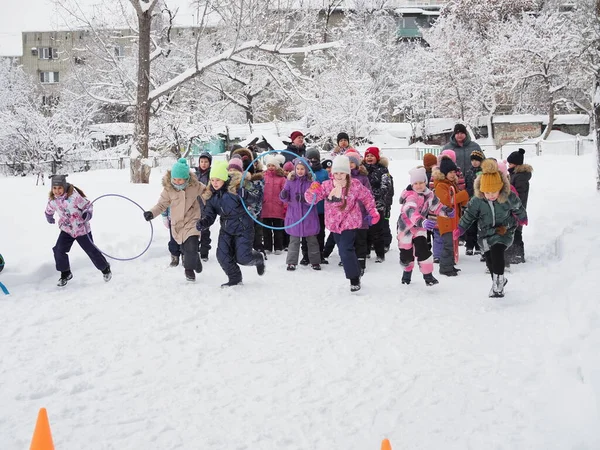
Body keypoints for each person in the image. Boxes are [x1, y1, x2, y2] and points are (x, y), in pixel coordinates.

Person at [305, 156, 379, 292]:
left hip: (350, 222)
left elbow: (367, 197)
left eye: (342, 172)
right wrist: (312, 190)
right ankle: (356, 270)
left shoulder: (355, 185)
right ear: (332, 173)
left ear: (347, 173)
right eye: (336, 173)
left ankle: (354, 279)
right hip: (334, 224)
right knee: (344, 250)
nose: (339, 176)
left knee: (345, 250)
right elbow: (312, 200)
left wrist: (373, 211)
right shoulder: (327, 185)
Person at [456, 159, 527, 298]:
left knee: (497, 251)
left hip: (504, 230)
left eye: (494, 191)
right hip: (485, 234)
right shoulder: (477, 201)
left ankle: (498, 285)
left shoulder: (507, 196)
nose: (491, 195)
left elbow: (518, 206)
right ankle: (500, 280)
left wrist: (523, 217)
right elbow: (469, 215)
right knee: (490, 261)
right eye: (487, 192)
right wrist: (460, 228)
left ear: (500, 188)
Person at [197, 161, 266, 287]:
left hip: (243, 227)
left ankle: (258, 259)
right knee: (222, 255)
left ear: (224, 178)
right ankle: (235, 278)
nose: (214, 183)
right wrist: (204, 222)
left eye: (217, 180)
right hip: (226, 228)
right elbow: (210, 214)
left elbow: (256, 198)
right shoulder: (211, 195)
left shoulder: (236, 188)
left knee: (243, 258)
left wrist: (247, 195)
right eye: (212, 180)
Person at [144, 158, 206, 281]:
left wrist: (216, 202)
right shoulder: (169, 189)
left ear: (186, 178)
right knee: (184, 247)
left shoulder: (195, 186)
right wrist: (151, 213)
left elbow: (207, 193)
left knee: (192, 244)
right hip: (177, 224)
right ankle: (195, 260)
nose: (177, 182)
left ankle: (188, 270)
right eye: (174, 179)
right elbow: (161, 205)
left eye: (180, 179)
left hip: (192, 219)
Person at [45, 175, 112, 287]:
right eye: (54, 188)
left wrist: (87, 214)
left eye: (60, 188)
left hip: (81, 229)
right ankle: (65, 273)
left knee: (91, 250)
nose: (57, 191)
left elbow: (88, 206)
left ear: (65, 187)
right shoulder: (53, 201)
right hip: (66, 230)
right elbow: (49, 209)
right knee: (58, 250)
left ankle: (105, 268)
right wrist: (48, 216)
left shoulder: (74, 197)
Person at [397, 167, 454, 286]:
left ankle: (428, 277)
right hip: (406, 229)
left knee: (423, 250)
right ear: (412, 184)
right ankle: (407, 273)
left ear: (425, 182)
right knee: (406, 255)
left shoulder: (429, 195)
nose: (418, 186)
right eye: (416, 183)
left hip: (419, 229)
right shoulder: (411, 196)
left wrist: (446, 211)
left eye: (421, 183)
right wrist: (421, 221)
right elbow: (410, 211)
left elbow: (436, 206)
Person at [280, 158, 321, 270]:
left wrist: (305, 199)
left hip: (309, 216)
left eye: (302, 168)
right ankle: (291, 262)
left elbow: (316, 198)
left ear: (307, 169)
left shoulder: (312, 182)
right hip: (294, 216)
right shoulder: (290, 181)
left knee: (312, 241)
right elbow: (285, 197)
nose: (300, 171)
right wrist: (283, 195)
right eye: (297, 168)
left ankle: (315, 261)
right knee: (294, 241)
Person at [432, 156, 470, 276]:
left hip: (454, 219)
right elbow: (448, 200)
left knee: (453, 244)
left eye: (454, 172)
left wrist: (465, 199)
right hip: (446, 220)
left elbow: (459, 199)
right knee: (448, 245)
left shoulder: (451, 184)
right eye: (450, 172)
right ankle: (445, 268)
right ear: (444, 173)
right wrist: (465, 194)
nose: (453, 174)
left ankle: (450, 265)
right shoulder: (441, 186)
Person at [362, 146, 393, 263]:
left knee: (377, 229)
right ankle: (366, 251)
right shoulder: (362, 169)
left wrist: (374, 196)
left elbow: (386, 186)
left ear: (377, 157)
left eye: (372, 156)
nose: (369, 158)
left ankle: (380, 254)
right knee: (365, 229)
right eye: (367, 156)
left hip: (377, 204)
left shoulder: (383, 170)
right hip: (364, 204)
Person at [506, 148, 533, 264]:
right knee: (513, 231)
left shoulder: (520, 177)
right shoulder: (515, 175)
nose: (509, 165)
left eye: (511, 163)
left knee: (517, 231)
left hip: (517, 208)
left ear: (516, 165)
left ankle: (518, 255)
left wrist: (516, 207)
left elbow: (519, 194)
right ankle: (514, 253)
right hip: (514, 207)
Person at [261, 154, 287, 254]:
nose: (271, 168)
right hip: (266, 207)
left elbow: (285, 193)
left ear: (277, 166)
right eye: (269, 165)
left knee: (278, 229)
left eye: (273, 165)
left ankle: (278, 247)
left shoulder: (281, 179)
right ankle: (267, 247)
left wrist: (285, 206)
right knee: (266, 229)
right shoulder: (263, 177)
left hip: (278, 207)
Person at [464, 150, 485, 256]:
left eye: (477, 160)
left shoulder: (484, 172)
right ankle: (469, 245)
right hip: (471, 201)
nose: (474, 162)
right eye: (472, 160)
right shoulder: (469, 172)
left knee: (479, 225)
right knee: (470, 224)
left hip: (481, 201)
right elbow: (466, 187)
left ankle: (478, 246)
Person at [195, 152, 213, 261]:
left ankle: (204, 252)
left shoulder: (211, 175)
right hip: (195, 207)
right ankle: (195, 249)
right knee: (195, 230)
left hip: (206, 207)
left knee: (205, 230)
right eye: (202, 161)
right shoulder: (194, 175)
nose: (203, 164)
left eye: (206, 162)